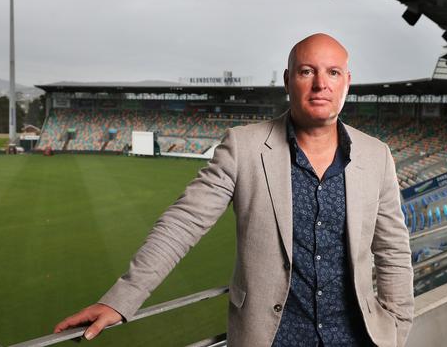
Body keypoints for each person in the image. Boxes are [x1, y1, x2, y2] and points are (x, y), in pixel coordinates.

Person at [54, 33, 414, 347]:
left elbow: (393, 250)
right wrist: (123, 299)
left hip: (356, 338)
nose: (321, 84)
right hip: (272, 338)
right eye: (307, 71)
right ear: (289, 80)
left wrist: (397, 329)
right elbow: (183, 223)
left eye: (333, 72)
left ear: (346, 81)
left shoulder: (376, 155)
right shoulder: (244, 147)